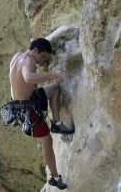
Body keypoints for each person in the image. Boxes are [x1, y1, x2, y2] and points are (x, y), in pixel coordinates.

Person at [9, 38, 74, 190]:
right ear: (35, 50)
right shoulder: (29, 60)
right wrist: (54, 75)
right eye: (42, 56)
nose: (40, 61)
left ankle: (56, 124)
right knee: (47, 141)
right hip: (26, 110)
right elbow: (28, 77)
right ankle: (55, 178)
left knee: (55, 89)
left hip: (23, 101)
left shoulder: (17, 56)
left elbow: (16, 81)